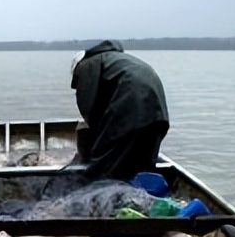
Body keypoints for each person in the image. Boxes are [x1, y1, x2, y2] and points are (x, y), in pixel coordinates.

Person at [70, 40, 170, 181]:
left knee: (102, 161)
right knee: (143, 163)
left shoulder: (87, 65)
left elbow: (88, 104)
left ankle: (100, 187)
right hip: (158, 113)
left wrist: (94, 140)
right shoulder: (115, 61)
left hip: (131, 103)